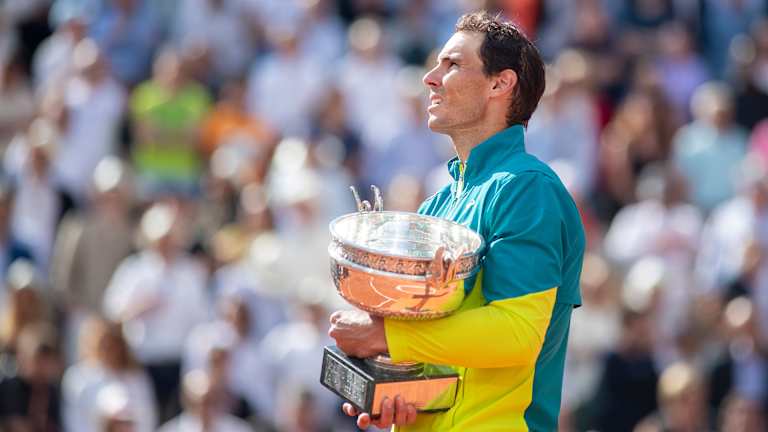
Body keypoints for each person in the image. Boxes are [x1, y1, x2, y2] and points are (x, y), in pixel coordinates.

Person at [328, 11, 585, 431]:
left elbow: (517, 333)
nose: (430, 78)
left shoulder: (528, 188)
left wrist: (385, 336)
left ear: (500, 84)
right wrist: (401, 391)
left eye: (452, 65)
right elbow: (443, 363)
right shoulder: (435, 207)